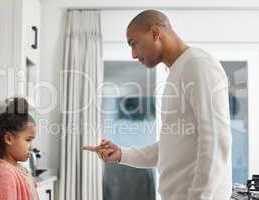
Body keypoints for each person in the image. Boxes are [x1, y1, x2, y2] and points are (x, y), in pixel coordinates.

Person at [83, 9, 232, 200]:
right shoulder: (177, 71)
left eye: (134, 43)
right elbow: (170, 147)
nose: (133, 55)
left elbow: (217, 140)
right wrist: (121, 154)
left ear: (155, 33)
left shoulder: (197, 64)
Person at [0, 97, 39, 200]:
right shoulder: (3, 174)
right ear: (8, 138)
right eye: (28, 140)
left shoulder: (20, 169)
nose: (32, 146)